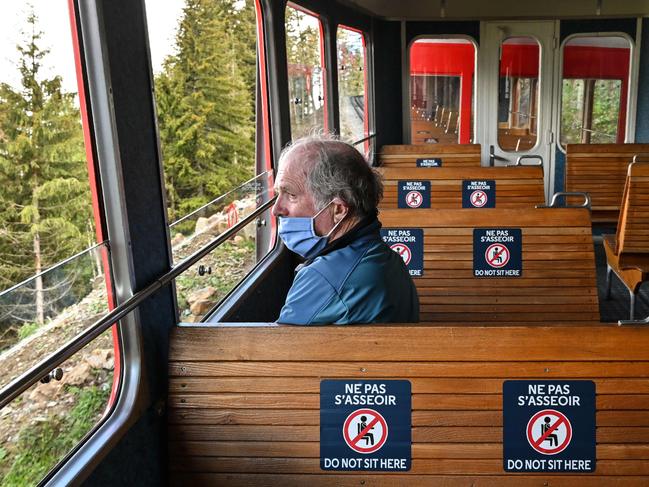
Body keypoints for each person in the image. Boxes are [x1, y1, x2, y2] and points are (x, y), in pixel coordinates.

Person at [272, 134, 419, 325]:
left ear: (338, 210)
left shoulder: (324, 278)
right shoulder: (386, 258)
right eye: (278, 194)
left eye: (290, 194)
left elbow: (279, 350)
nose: (276, 209)